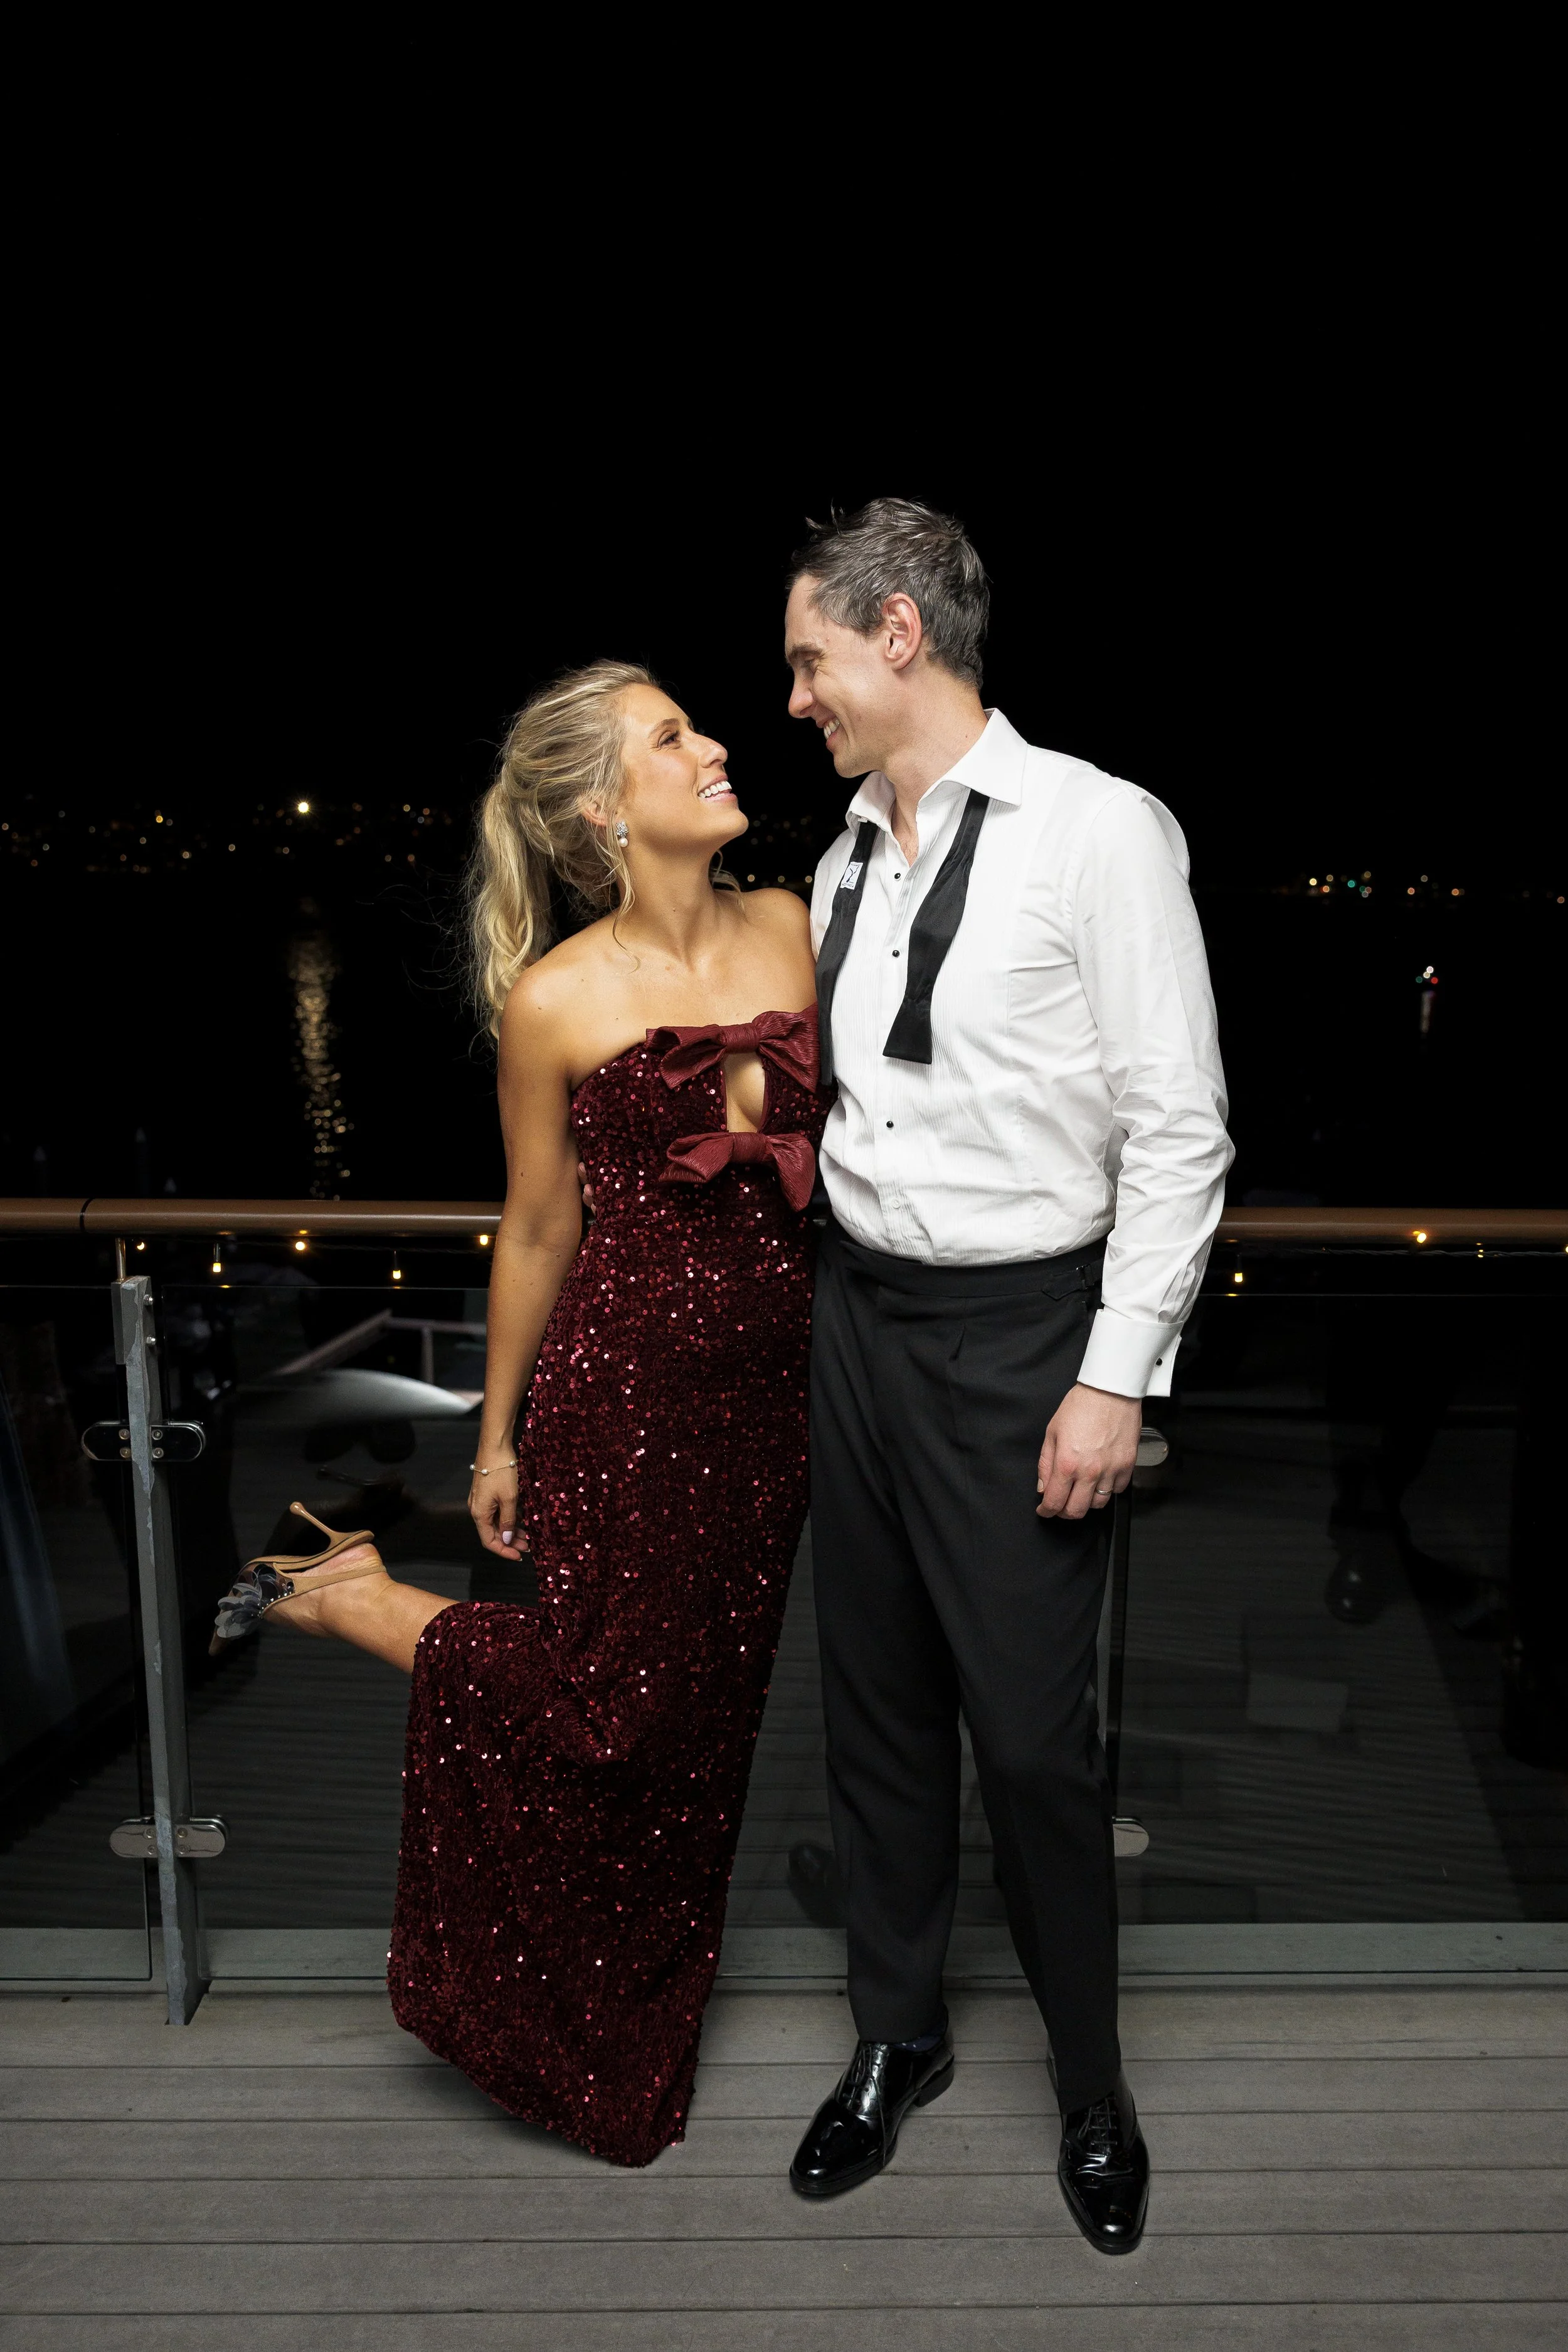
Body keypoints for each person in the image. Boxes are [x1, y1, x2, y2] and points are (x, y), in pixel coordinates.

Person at [209, 660, 825, 2166]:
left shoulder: (796, 924)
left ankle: (639, 2025)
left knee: (702, 1735)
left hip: (777, 1403)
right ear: (605, 811)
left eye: (698, 723)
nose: (716, 743)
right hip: (621, 1397)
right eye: (672, 738)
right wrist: (494, 1438)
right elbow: (539, 1230)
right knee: (612, 1719)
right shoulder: (555, 999)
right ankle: (354, 1601)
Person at [781, 501, 1232, 2252]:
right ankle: (894, 2036)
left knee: (1036, 1746)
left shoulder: (1095, 830)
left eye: (809, 656)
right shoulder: (838, 863)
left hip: (1024, 1339)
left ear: (899, 633)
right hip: (857, 1323)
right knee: (876, 1719)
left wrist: (1114, 1376)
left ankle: (1093, 2084)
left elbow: (1176, 1129)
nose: (796, 694)